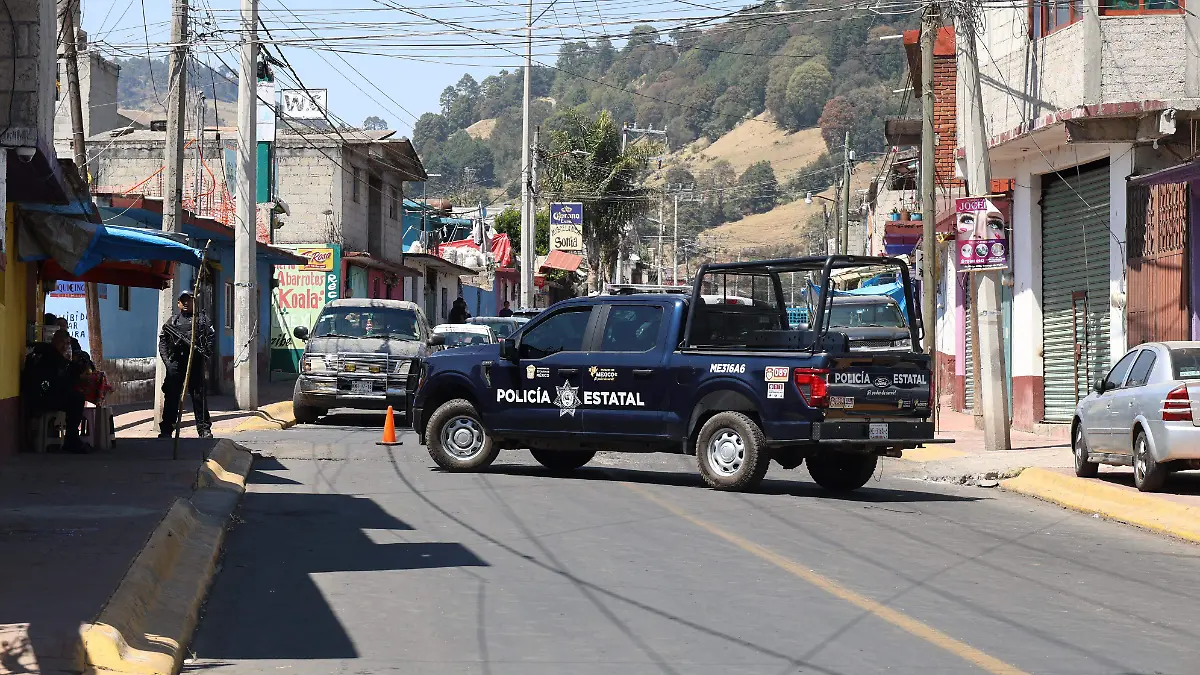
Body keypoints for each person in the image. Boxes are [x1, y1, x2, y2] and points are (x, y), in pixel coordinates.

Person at [158, 290, 215, 438]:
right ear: (178, 303)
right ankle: (166, 430)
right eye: (183, 300)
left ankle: (203, 429)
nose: (186, 303)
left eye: (189, 300)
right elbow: (163, 342)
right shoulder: (173, 321)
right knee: (172, 396)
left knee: (199, 396)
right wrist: (168, 364)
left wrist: (205, 354)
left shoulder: (202, 321)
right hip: (177, 363)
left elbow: (211, 338)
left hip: (195, 362)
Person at [24, 329, 89, 453]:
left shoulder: (57, 357)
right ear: (54, 342)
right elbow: (54, 382)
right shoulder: (48, 356)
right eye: (62, 343)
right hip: (42, 398)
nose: (65, 346)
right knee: (76, 399)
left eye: (67, 343)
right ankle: (71, 439)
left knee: (76, 396)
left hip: (50, 394)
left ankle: (72, 438)